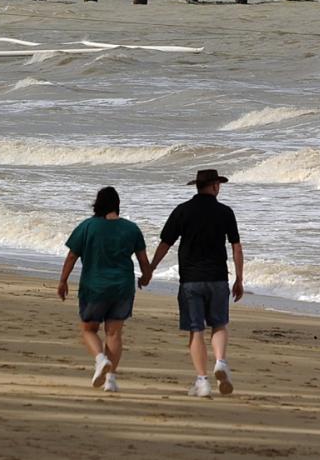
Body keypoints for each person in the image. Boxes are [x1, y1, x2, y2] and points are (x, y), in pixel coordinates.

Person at [148, 169, 244, 398]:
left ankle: (202, 381)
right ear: (214, 186)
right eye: (218, 184)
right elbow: (236, 247)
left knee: (196, 330)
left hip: (190, 280)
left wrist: (150, 269)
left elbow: (165, 243)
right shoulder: (225, 212)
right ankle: (220, 361)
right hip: (218, 278)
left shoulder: (183, 210)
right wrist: (239, 278)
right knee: (219, 324)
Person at [57, 186, 151, 393]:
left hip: (94, 287)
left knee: (89, 329)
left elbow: (72, 256)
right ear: (117, 205)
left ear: (97, 204)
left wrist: (63, 281)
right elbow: (144, 262)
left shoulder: (87, 226)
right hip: (122, 287)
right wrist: (146, 277)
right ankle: (110, 379)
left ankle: (100, 360)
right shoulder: (131, 228)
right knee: (114, 333)